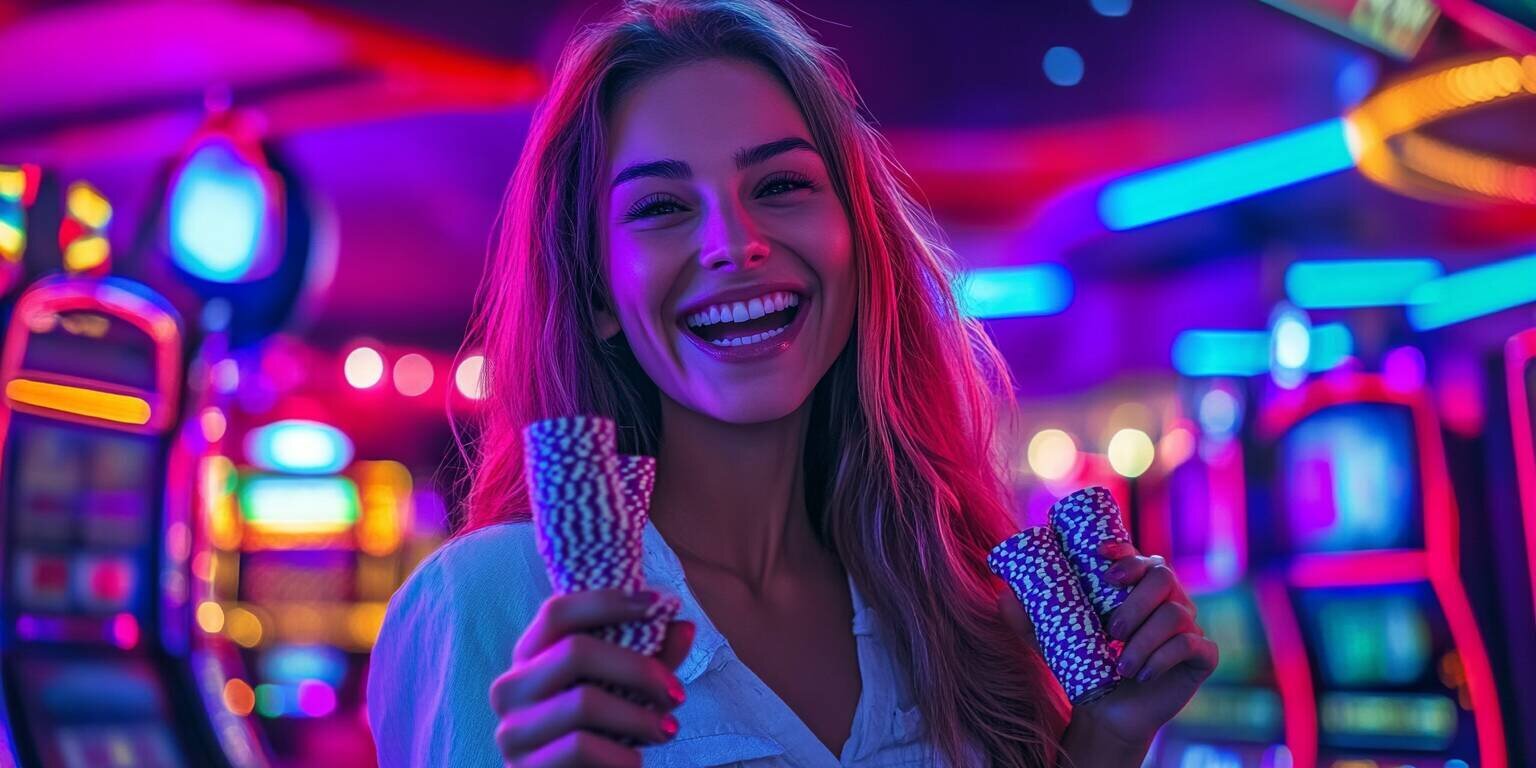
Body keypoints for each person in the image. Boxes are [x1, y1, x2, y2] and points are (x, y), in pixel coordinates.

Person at [368, 1, 1218, 765]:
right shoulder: (493, 600)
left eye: (780, 186)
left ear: (856, 247)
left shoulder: (948, 593)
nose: (734, 243)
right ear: (599, 294)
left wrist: (1108, 735)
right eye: (662, 207)